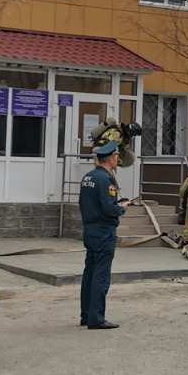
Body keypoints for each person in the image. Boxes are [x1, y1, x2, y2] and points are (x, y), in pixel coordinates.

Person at [78, 137, 126, 329]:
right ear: (111, 158)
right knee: (101, 275)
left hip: (90, 229)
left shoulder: (88, 177)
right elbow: (108, 207)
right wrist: (122, 207)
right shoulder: (106, 179)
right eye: (116, 155)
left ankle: (86, 315)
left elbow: (84, 203)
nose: (117, 158)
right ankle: (96, 318)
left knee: (89, 273)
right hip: (103, 231)